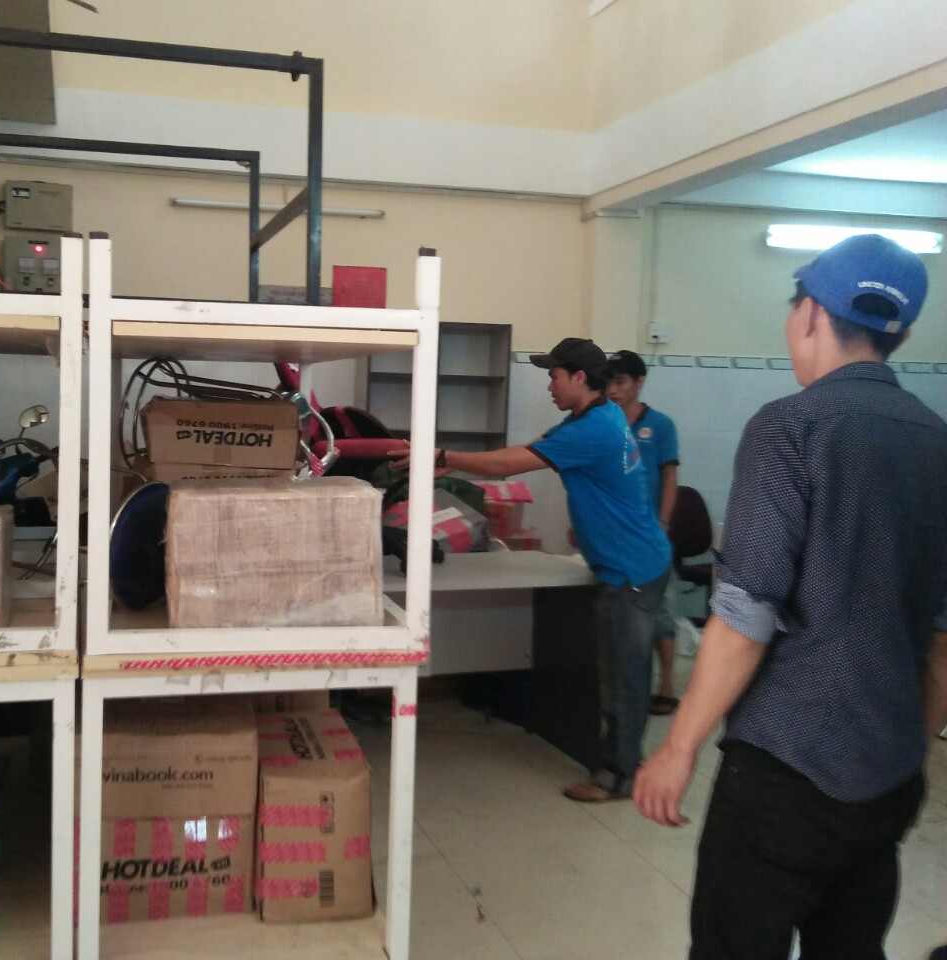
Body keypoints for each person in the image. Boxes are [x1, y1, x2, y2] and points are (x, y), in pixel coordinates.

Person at [633, 234, 947, 959]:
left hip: (786, 769)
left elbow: (745, 615)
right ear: (900, 334)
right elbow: (940, 637)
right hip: (888, 775)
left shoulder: (788, 428)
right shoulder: (937, 441)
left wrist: (678, 748)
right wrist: (913, 755)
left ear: (809, 313)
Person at [398, 337, 672, 802]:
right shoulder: (595, 417)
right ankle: (621, 765)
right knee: (617, 675)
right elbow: (529, 450)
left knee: (623, 679)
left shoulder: (593, 428)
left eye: (554, 375)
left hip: (632, 571)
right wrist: (450, 463)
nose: (549, 385)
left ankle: (620, 776)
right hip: (632, 561)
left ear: (579, 378)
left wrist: (444, 458)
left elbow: (511, 463)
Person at [606, 349, 682, 715]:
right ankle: (624, 686)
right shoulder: (604, 422)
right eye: (609, 382)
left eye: (620, 381)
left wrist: (664, 524)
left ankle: (666, 683)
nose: (613, 389)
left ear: (639, 382)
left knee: (659, 611)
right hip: (612, 534)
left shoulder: (660, 425)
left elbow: (669, 477)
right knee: (620, 611)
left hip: (651, 535)